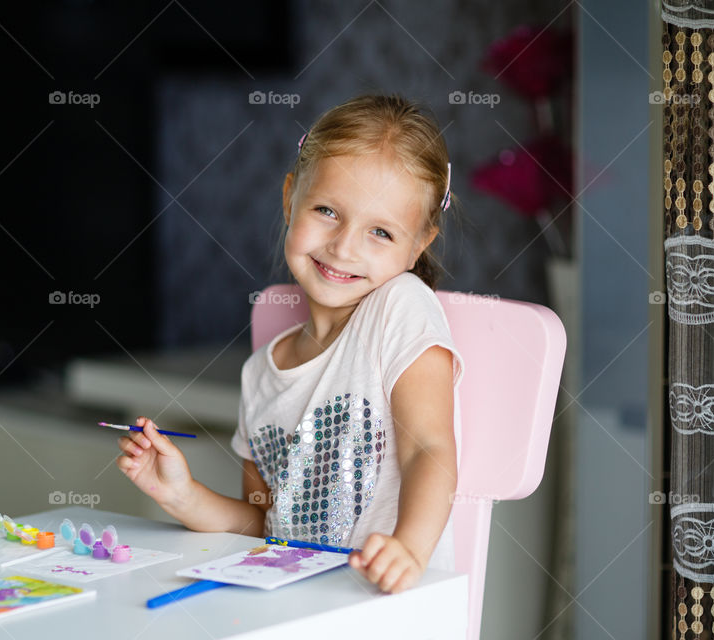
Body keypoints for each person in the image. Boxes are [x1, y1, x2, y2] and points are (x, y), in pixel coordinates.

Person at [116, 94, 465, 594]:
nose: (344, 247)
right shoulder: (261, 372)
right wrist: (180, 495)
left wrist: (408, 548)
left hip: (384, 609)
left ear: (418, 245)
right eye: (327, 210)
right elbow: (264, 526)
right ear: (289, 197)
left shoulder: (400, 309)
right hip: (288, 608)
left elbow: (428, 449)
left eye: (381, 233)